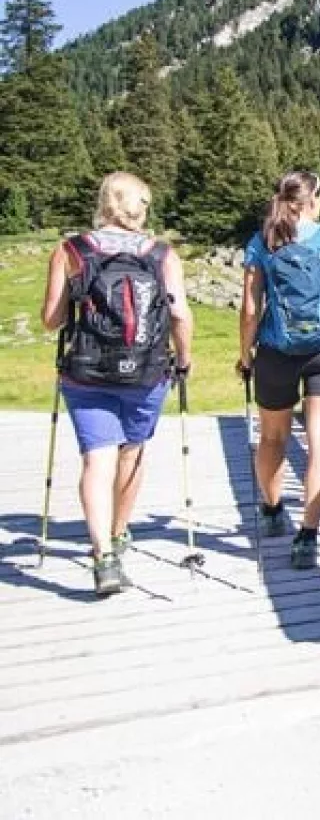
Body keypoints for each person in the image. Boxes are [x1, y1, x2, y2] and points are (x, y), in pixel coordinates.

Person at [40, 172, 194, 597]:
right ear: (140, 206)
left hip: (86, 372)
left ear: (104, 202)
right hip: (146, 372)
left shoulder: (71, 250)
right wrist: (183, 359)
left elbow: (51, 319)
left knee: (97, 459)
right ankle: (120, 530)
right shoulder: (161, 253)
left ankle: (103, 556)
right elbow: (180, 316)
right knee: (132, 451)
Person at [238, 171, 320, 570]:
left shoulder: (263, 241)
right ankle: (308, 535)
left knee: (272, 437)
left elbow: (250, 310)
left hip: (276, 350)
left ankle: (273, 511)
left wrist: (246, 356)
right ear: (315, 201)